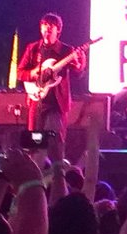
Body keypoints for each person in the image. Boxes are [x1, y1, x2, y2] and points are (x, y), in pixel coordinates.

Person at [17, 12, 86, 140]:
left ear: (58, 30)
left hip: (57, 104)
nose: (47, 28)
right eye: (44, 24)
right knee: (35, 141)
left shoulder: (66, 50)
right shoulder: (33, 48)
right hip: (36, 100)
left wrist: (79, 64)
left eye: (51, 25)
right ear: (40, 28)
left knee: (54, 140)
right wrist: (32, 73)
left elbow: (78, 74)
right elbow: (19, 73)